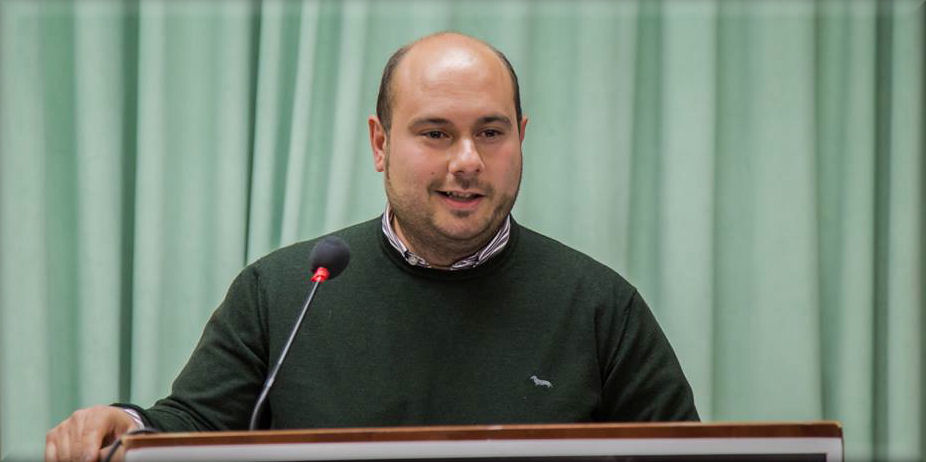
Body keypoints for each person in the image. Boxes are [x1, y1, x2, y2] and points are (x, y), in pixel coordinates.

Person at [45, 31, 698, 462]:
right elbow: (188, 428)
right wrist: (122, 425)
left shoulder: (600, 307)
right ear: (380, 143)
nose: (468, 161)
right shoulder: (285, 292)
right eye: (436, 133)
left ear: (521, 137)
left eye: (491, 132)